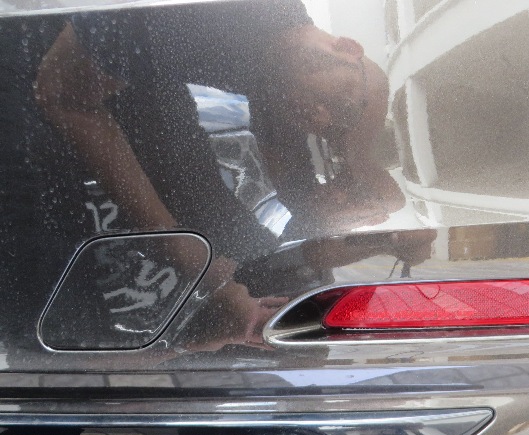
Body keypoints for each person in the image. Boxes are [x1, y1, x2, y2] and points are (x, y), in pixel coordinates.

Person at [34, 0, 388, 351]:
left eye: (330, 127)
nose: (320, 117)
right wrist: (186, 253)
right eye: (343, 104)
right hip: (29, 98)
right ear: (347, 47)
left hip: (86, 158)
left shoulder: (273, 67)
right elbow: (61, 93)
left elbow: (280, 151)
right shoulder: (214, 15)